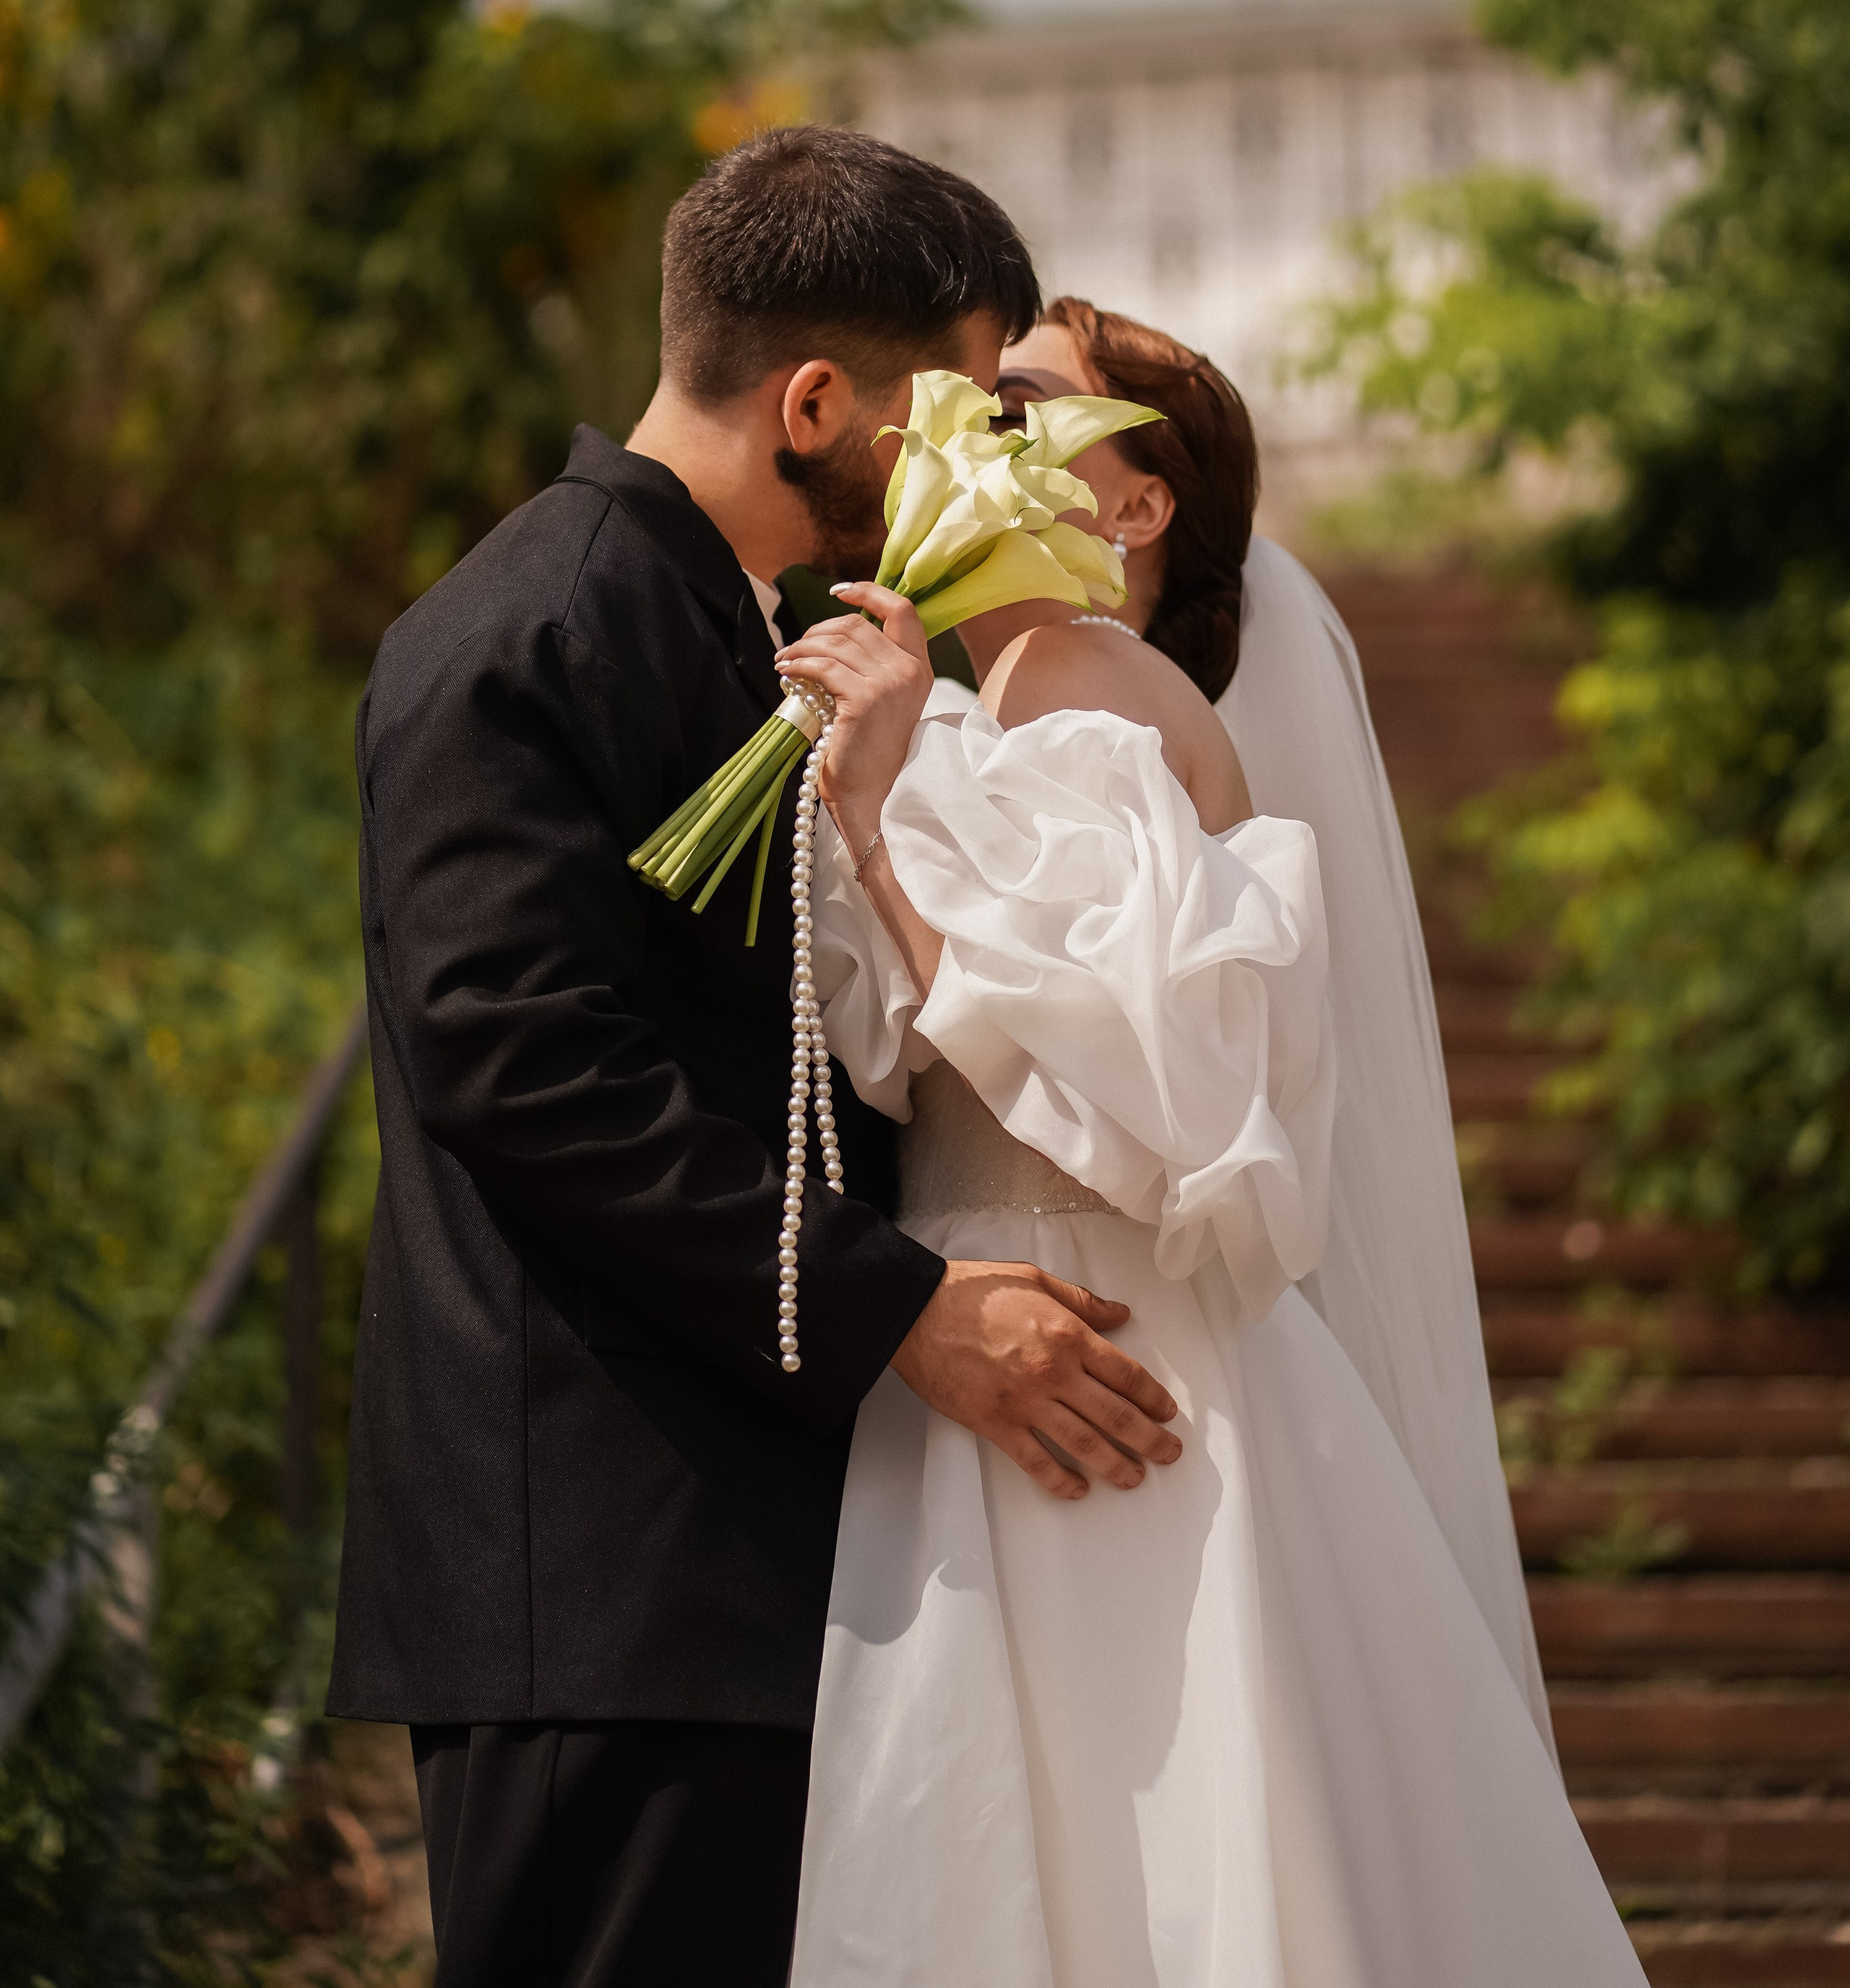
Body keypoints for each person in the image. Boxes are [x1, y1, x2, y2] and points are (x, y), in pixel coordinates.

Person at [326, 141, 1184, 1988]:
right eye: (943, 406)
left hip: (733, 1546)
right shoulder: (529, 628)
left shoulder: (736, 631)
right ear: (811, 401)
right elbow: (521, 1061)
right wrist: (903, 1310)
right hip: (595, 1567)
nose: (971, 460)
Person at [778, 296, 1647, 1986]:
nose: (960, 425)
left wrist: (875, 823)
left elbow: (1139, 1102)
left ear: (1133, 502)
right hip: (982, 1314)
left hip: (1084, 1333)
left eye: (1018, 405)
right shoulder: (997, 698)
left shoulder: (1099, 697)